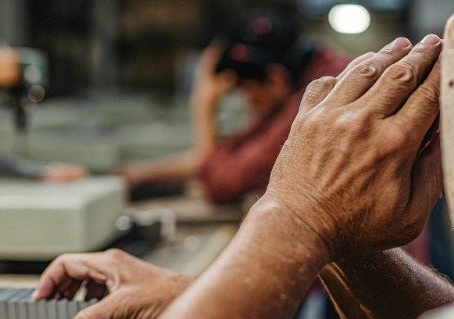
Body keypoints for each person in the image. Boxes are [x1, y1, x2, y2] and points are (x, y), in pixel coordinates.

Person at [33, 33, 454, 319]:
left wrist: (297, 211)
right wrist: (208, 307)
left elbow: (222, 178)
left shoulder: (323, 91)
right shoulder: (316, 82)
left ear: (273, 78)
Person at [117, 13, 350, 204]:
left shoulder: (321, 94)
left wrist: (203, 105)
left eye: (249, 93)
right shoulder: (305, 69)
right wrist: (140, 174)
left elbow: (222, 184)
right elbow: (233, 153)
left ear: (275, 79)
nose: (249, 103)